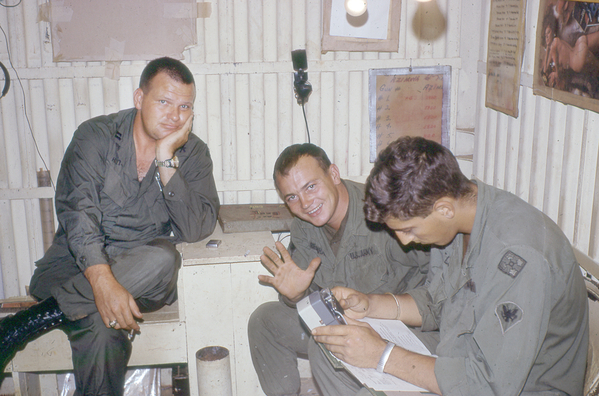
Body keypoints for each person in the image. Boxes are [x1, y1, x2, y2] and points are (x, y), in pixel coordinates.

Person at [0, 57, 220, 395]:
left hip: (143, 277)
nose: (174, 116)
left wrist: (165, 159)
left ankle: (23, 326)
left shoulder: (193, 154)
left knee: (163, 258)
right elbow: (77, 213)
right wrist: (102, 281)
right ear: (138, 99)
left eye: (184, 106)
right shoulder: (95, 137)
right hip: (75, 269)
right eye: (163, 101)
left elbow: (196, 228)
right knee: (101, 329)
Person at [312, 136, 589, 395]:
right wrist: (371, 304)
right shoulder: (460, 219)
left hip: (506, 387)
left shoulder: (518, 256)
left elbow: (489, 385)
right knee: (332, 353)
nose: (405, 242)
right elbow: (436, 301)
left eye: (408, 229)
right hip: (461, 355)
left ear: (444, 209)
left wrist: (382, 356)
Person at [248, 143, 430, 396]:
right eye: (292, 197)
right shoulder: (303, 227)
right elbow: (308, 295)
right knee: (264, 321)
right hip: (343, 321)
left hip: (399, 329)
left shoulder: (382, 212)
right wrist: (296, 296)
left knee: (323, 346)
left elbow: (438, 285)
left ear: (333, 174)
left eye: (310, 186)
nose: (305, 203)